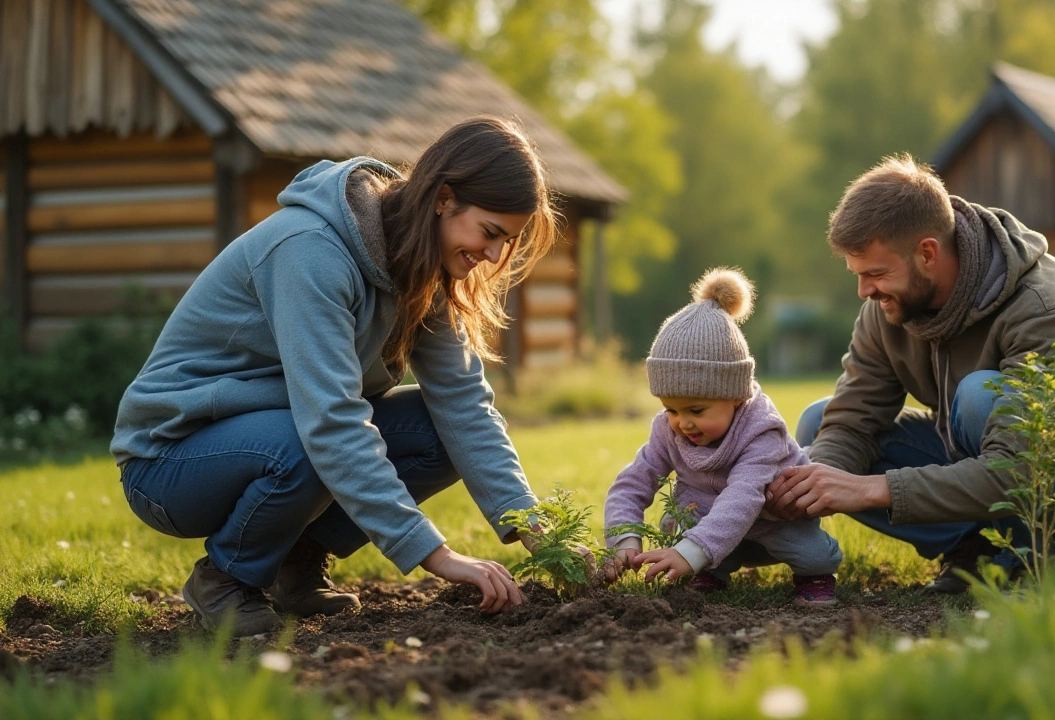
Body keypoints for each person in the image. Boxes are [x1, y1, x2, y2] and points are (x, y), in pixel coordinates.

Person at [112, 116, 558, 635]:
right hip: (169, 462)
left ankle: (291, 561)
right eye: (490, 233)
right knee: (308, 439)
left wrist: (535, 528)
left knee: (440, 431)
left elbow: (464, 405)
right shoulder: (311, 251)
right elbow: (330, 421)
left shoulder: (423, 266)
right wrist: (436, 555)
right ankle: (225, 578)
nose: (494, 255)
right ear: (444, 198)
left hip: (280, 435)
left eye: (508, 241)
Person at [765, 154, 1055, 592]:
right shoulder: (886, 306)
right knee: (821, 426)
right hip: (972, 449)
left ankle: (1037, 562)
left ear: (928, 253)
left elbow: (1018, 469)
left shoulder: (1044, 305)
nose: (864, 291)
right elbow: (853, 418)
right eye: (858, 274)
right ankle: (975, 551)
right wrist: (809, 490)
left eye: (876, 273)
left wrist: (869, 489)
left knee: (981, 395)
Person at [603, 268, 844, 606]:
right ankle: (710, 569)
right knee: (677, 523)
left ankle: (815, 575)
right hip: (707, 521)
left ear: (735, 395)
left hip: (773, 522)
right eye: (671, 409)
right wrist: (625, 540)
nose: (682, 423)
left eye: (696, 411)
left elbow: (743, 498)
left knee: (813, 554)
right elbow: (632, 483)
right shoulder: (667, 429)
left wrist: (690, 552)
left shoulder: (762, 431)